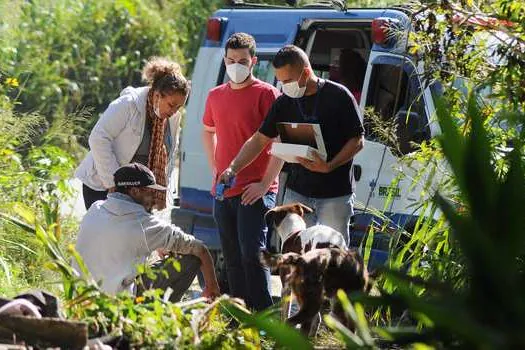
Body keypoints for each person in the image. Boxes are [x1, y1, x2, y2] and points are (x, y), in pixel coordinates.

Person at [218, 45, 365, 243]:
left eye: (288, 81)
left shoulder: (339, 96)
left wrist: (329, 165)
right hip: (298, 193)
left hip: (335, 195)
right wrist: (233, 168)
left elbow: (357, 140)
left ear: (305, 72)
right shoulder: (284, 102)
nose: (284, 86)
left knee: (333, 255)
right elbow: (259, 139)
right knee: (295, 254)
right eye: (280, 81)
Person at [201, 33, 282, 311]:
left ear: (254, 62)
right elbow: (208, 132)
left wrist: (264, 184)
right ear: (225, 60)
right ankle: (239, 315)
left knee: (253, 253)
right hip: (224, 191)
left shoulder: (268, 94)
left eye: (243, 61)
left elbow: (280, 144)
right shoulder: (215, 95)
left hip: (256, 190)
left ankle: (263, 317)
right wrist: (216, 171)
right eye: (231, 60)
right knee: (232, 256)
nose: (236, 65)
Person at [74, 163, 221, 302]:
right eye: (150, 192)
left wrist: (158, 243)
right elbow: (200, 249)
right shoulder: (143, 223)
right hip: (120, 300)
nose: (154, 198)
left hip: (80, 297)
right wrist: (212, 287)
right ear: (134, 191)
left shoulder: (96, 208)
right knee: (192, 258)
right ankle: (159, 314)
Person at [75, 57, 190, 211]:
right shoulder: (129, 104)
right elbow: (98, 138)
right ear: (157, 95)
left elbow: (168, 156)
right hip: (102, 186)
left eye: (179, 107)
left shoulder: (173, 118)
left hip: (137, 193)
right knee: (110, 235)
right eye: (171, 105)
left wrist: (159, 191)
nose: (174, 111)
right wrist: (113, 183)